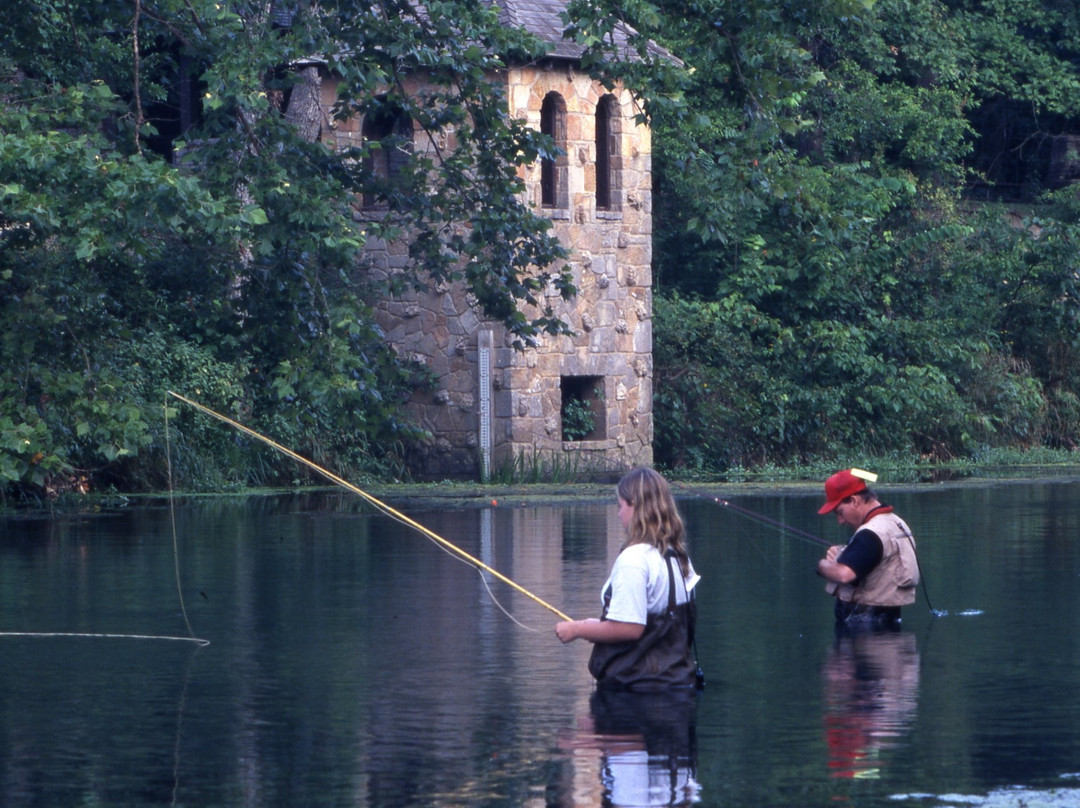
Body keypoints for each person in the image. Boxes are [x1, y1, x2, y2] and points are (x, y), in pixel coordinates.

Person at [555, 467, 703, 692]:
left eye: (620, 505)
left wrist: (578, 629)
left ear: (634, 506)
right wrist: (595, 626)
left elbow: (629, 628)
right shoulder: (679, 557)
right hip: (678, 687)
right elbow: (651, 622)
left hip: (634, 691)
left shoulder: (633, 559)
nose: (618, 513)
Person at [816, 469, 920, 632]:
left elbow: (844, 574)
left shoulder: (869, 534)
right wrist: (844, 552)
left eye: (840, 512)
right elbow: (877, 560)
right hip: (887, 627)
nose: (840, 521)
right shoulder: (896, 523)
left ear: (854, 500)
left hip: (862, 633)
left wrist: (823, 565)